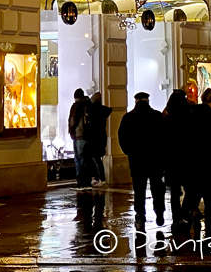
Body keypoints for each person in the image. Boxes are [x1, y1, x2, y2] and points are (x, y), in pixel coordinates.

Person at [118, 92, 166, 228]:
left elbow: (122, 138)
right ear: (147, 101)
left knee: (139, 188)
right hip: (155, 158)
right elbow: (164, 138)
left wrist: (129, 152)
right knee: (157, 187)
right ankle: (159, 212)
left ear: (136, 101)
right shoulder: (157, 116)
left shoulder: (128, 117)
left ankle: (140, 214)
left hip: (137, 159)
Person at [185, 89, 211, 228]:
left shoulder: (194, 113)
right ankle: (203, 210)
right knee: (206, 184)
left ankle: (194, 210)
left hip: (194, 155)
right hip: (207, 155)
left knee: (199, 186)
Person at [163, 90, 194, 225]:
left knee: (174, 192)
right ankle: (184, 211)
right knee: (191, 189)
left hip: (171, 159)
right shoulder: (189, 117)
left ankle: (177, 217)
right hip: (186, 158)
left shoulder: (166, 119)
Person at [83, 91, 112, 188]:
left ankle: (101, 178)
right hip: (100, 136)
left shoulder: (92, 110)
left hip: (94, 137)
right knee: (96, 158)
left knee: (96, 158)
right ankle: (98, 178)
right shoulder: (102, 110)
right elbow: (108, 110)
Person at [68, 88, 90, 188]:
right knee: (86, 159)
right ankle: (87, 182)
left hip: (79, 135)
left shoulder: (76, 106)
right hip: (88, 135)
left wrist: (71, 131)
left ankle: (80, 183)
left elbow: (73, 120)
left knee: (78, 159)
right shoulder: (89, 104)